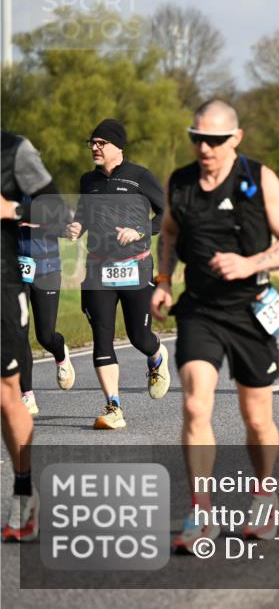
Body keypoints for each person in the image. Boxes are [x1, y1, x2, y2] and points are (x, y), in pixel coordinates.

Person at [152, 100, 279, 551]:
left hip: (251, 309)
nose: (205, 148)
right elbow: (169, 233)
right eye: (197, 139)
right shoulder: (180, 182)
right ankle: (201, 513)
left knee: (256, 419)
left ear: (235, 138)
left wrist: (250, 263)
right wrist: (163, 280)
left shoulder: (259, 179)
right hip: (199, 309)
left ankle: (265, 494)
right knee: (195, 405)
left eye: (215, 140)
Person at [66, 119, 170, 430]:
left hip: (136, 267)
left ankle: (156, 355)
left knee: (139, 337)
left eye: (101, 143)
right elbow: (84, 214)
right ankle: (114, 407)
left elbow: (167, 214)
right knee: (102, 338)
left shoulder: (140, 177)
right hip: (98, 268)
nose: (95, 148)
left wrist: (140, 230)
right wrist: (77, 225)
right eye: (92, 143)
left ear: (118, 147)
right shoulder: (88, 181)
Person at [1, 131, 66, 541]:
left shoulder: (13, 150)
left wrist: (12, 208)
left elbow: (56, 210)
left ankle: (24, 492)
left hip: (4, 282)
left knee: (6, 394)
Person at [16, 192, 76, 417]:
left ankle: (60, 354)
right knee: (18, 333)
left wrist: (38, 225)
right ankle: (27, 395)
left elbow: (69, 229)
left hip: (46, 269)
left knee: (45, 335)